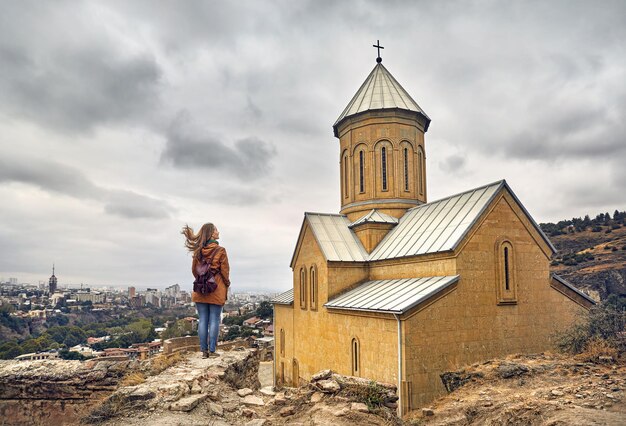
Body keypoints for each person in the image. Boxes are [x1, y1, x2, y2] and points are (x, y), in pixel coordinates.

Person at [181, 223, 230, 358]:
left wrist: (202, 279)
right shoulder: (220, 250)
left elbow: (194, 270)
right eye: (216, 229)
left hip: (200, 289)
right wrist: (226, 283)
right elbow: (225, 272)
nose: (218, 231)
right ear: (212, 233)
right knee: (214, 319)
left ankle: (204, 351)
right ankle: (212, 350)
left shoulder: (198, 251)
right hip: (216, 289)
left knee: (203, 319)